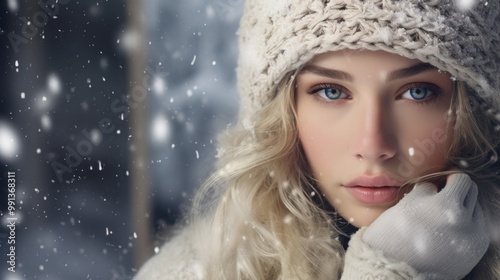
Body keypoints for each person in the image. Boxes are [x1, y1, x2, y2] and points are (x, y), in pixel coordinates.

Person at [134, 0, 500, 279]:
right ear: (282, 114)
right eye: (330, 91)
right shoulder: (199, 270)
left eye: (417, 92)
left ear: (473, 110)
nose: (373, 145)